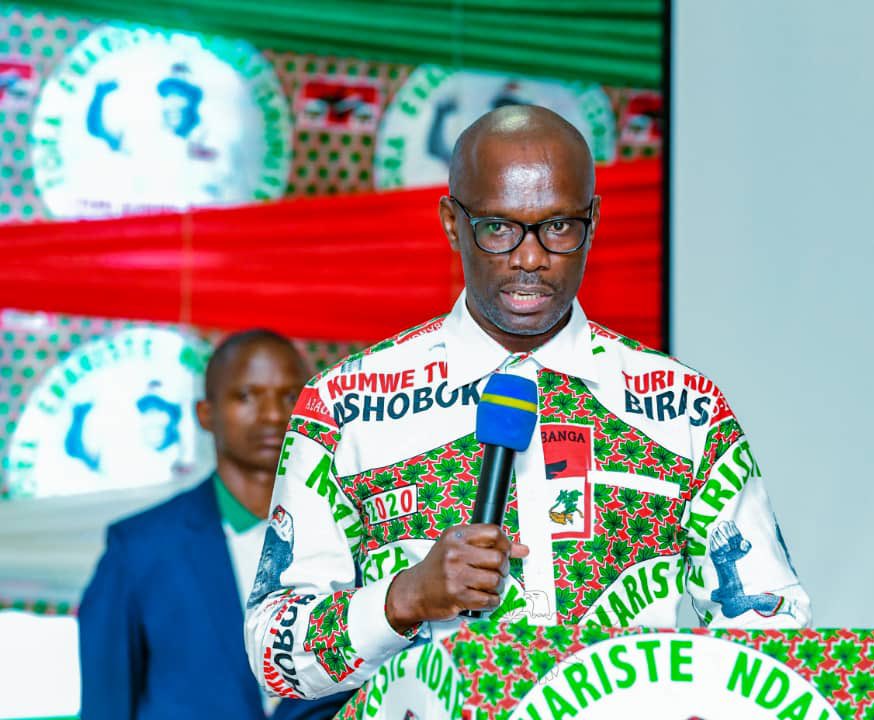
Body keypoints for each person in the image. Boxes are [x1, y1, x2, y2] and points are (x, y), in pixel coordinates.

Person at [245, 106, 811, 701]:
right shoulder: (347, 405)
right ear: (452, 223)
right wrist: (403, 598)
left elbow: (774, 637)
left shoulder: (685, 408)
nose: (530, 258)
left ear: (593, 220)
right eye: (498, 228)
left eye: (558, 226)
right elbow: (272, 654)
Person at [79, 330, 351, 720]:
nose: (274, 415)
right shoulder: (139, 548)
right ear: (205, 414)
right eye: (246, 396)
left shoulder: (352, 538)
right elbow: (106, 706)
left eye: (291, 396)